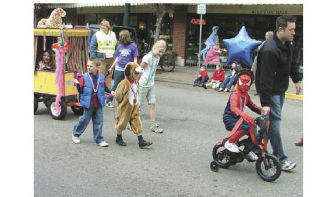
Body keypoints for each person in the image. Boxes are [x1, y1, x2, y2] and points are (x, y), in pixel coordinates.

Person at [255, 15, 303, 172]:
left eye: (294, 29)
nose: (294, 32)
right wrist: (266, 103)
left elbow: (292, 62)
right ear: (281, 29)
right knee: (274, 123)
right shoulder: (270, 49)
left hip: (280, 89)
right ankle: (281, 158)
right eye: (291, 29)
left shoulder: (288, 43)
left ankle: (255, 149)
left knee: (269, 123)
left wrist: (297, 79)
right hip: (271, 91)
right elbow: (265, 79)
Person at [72, 57, 112, 147]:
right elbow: (81, 91)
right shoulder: (84, 77)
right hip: (88, 103)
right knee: (84, 119)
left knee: (99, 121)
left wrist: (111, 91)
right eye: (87, 66)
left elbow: (105, 87)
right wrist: (78, 84)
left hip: (98, 102)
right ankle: (75, 134)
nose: (88, 68)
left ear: (98, 67)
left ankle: (99, 139)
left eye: (91, 66)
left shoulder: (101, 77)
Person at [223, 69, 261, 161]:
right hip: (230, 118)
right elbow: (234, 108)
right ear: (238, 82)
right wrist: (245, 116)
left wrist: (263, 111)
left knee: (253, 131)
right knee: (245, 127)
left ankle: (247, 150)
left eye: (247, 83)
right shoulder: (235, 95)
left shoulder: (246, 96)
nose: (244, 85)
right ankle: (230, 142)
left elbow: (253, 106)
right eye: (242, 82)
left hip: (239, 118)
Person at [114, 62, 153, 148]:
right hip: (125, 107)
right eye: (135, 73)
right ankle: (118, 137)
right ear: (129, 72)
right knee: (122, 122)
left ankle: (141, 140)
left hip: (134, 106)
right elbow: (118, 96)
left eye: (138, 73)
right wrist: (121, 101)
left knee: (137, 121)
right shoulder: (124, 83)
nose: (138, 75)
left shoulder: (135, 82)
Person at [138, 39, 167, 133]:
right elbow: (139, 69)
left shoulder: (157, 58)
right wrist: (135, 82)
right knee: (138, 106)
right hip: (143, 84)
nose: (161, 54)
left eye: (162, 52)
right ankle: (132, 122)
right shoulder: (148, 57)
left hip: (151, 84)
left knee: (152, 104)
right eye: (160, 51)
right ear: (155, 48)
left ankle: (153, 125)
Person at [106, 29, 139, 107]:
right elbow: (117, 58)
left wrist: (135, 68)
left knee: (129, 86)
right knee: (116, 85)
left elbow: (135, 58)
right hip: (118, 69)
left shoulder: (133, 46)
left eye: (121, 37)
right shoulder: (119, 46)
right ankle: (108, 100)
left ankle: (128, 102)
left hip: (128, 70)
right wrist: (112, 67)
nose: (120, 39)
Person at [89, 19, 117, 106]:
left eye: (104, 25)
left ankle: (108, 99)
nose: (102, 27)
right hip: (101, 59)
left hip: (111, 59)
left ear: (108, 27)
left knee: (108, 78)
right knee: (100, 78)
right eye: (101, 25)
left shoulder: (113, 34)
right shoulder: (97, 34)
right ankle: (98, 97)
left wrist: (117, 55)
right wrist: (93, 59)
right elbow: (92, 47)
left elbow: (116, 45)